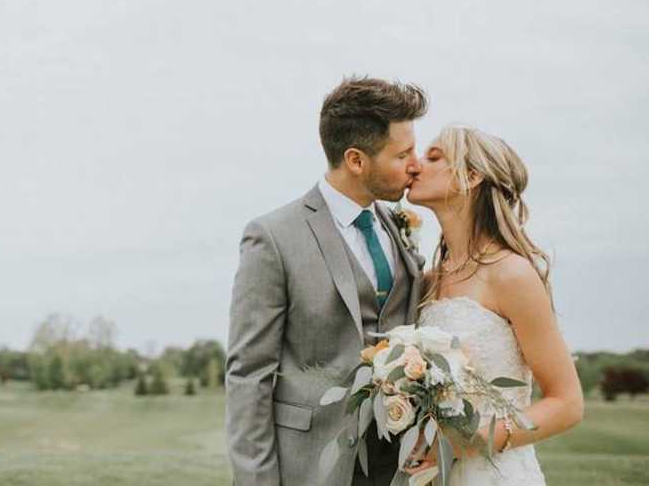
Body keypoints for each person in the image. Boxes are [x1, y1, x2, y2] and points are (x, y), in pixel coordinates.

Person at [225, 76, 428, 486]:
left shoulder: (398, 229)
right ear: (356, 160)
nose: (416, 164)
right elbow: (249, 375)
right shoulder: (273, 237)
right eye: (403, 153)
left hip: (397, 468)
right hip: (310, 467)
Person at [404, 124, 584, 485]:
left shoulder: (512, 274)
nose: (415, 165)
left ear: (471, 176)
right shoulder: (427, 280)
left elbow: (567, 404)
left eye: (434, 156)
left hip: (495, 473)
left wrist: (465, 442)